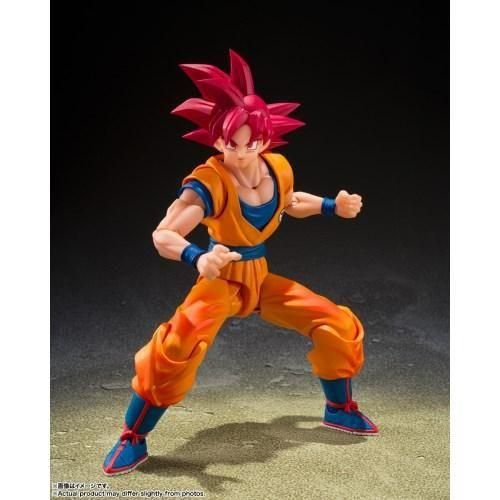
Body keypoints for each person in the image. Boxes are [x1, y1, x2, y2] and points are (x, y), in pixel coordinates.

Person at [103, 50, 378, 476]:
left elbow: (290, 201)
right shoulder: (209, 182)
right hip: (221, 279)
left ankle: (339, 409)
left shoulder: (277, 168)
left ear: (266, 139)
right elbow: (163, 234)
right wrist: (198, 256)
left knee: (337, 323)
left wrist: (330, 206)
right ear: (218, 139)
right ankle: (132, 436)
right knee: (176, 346)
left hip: (260, 278)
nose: (244, 151)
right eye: (234, 143)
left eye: (253, 142)